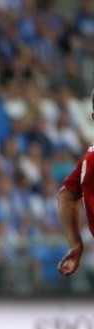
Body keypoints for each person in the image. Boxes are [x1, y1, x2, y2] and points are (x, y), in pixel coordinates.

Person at [57, 88, 94, 277]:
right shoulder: (89, 160)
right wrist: (77, 244)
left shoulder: (89, 160)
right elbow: (67, 196)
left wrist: (76, 244)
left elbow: (67, 195)